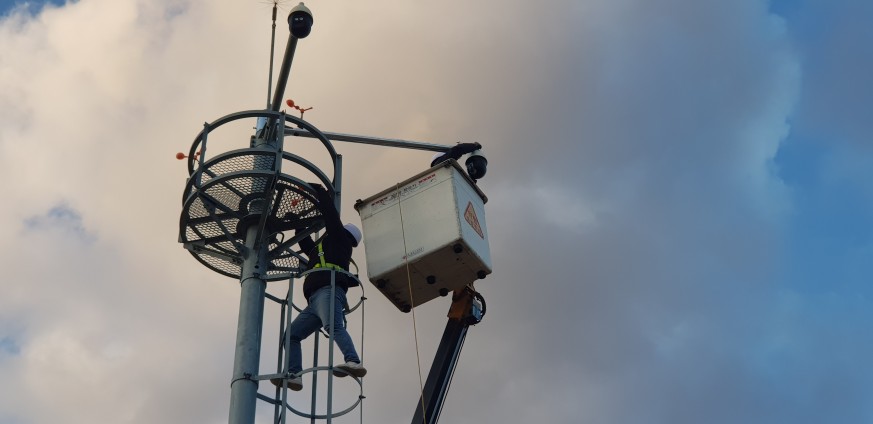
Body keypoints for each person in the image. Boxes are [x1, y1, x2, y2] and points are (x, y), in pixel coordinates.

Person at [273, 184, 367, 391]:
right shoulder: (323, 250)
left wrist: (320, 192)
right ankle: (294, 375)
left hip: (328, 291)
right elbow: (306, 244)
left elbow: (330, 215)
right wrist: (295, 221)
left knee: (333, 327)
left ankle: (353, 361)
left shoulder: (340, 241)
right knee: (291, 335)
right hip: (315, 300)